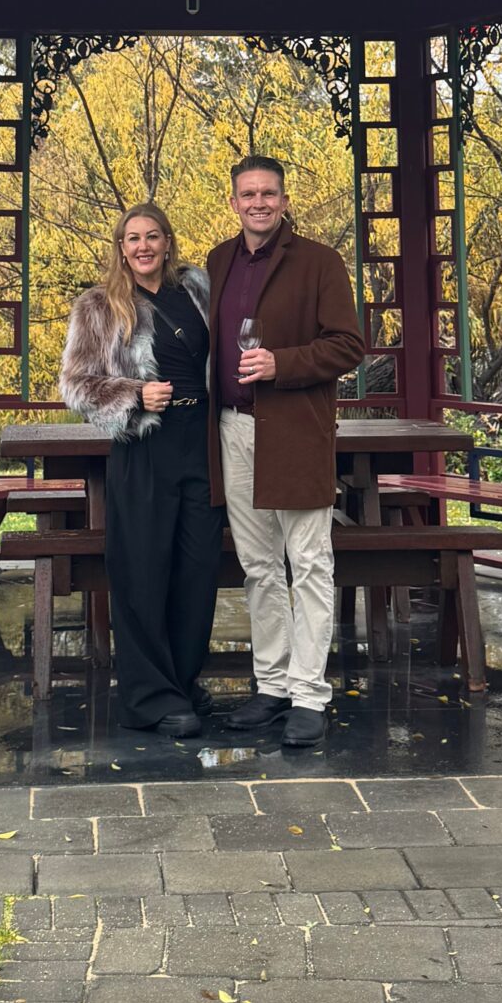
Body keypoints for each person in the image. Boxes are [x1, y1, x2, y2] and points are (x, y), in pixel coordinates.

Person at [206, 156, 364, 747]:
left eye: (268, 194)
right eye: (248, 194)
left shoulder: (320, 262)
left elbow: (348, 345)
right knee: (260, 567)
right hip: (233, 430)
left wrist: (281, 364)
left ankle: (309, 694)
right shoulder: (218, 261)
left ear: (284, 200)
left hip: (296, 432)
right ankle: (271, 685)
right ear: (233, 202)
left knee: (310, 564)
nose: (258, 203)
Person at [58, 203, 221, 738]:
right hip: (145, 446)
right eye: (133, 238)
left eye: (153, 236)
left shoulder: (198, 290)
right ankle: (150, 698)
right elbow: (75, 385)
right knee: (143, 571)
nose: (144, 246)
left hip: (202, 442)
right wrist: (133, 394)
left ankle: (182, 682)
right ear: (121, 248)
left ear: (167, 242)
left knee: (197, 570)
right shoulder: (99, 306)